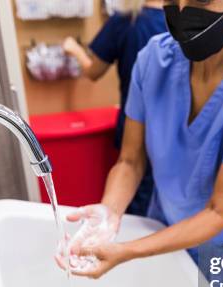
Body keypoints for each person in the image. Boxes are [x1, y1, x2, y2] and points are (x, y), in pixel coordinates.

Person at [58, 0, 223, 287]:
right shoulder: (154, 59)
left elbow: (218, 211)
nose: (183, 11)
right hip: (163, 226)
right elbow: (130, 161)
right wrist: (109, 212)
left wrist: (127, 251)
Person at [63, 0, 167, 216]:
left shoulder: (126, 21)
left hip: (137, 127)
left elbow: (93, 72)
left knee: (140, 205)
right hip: (169, 129)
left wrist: (74, 49)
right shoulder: (178, 25)